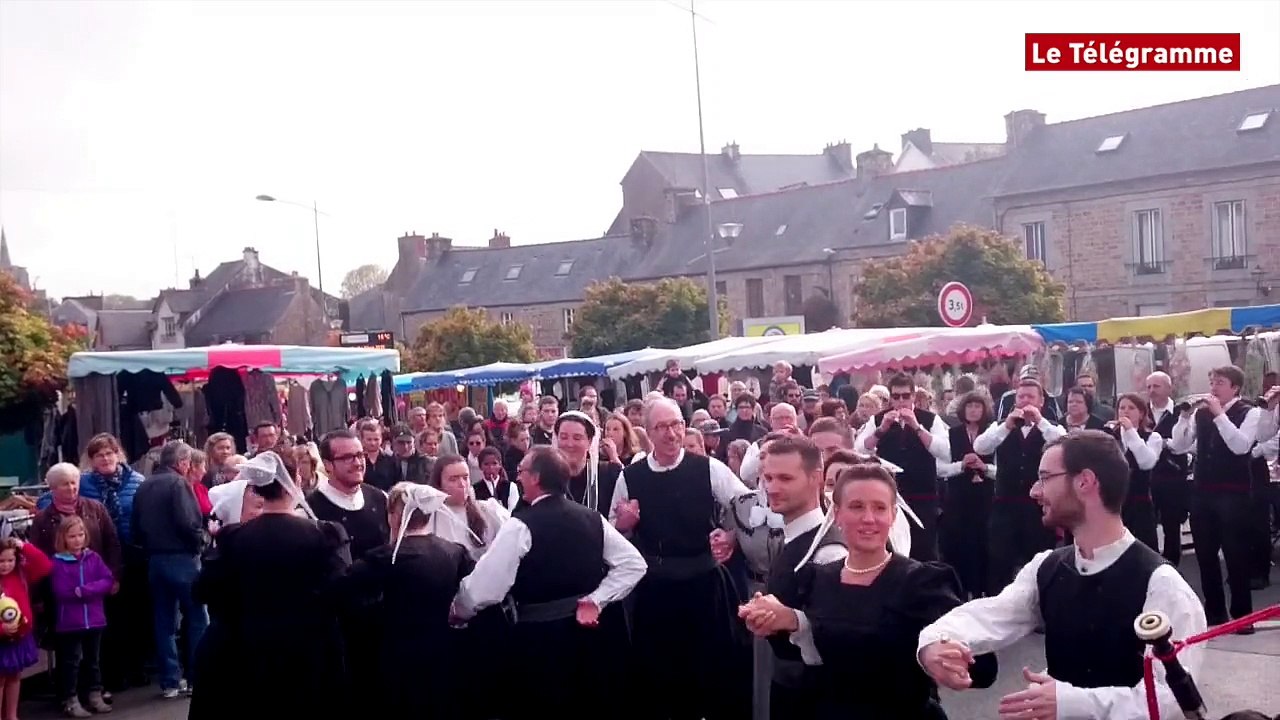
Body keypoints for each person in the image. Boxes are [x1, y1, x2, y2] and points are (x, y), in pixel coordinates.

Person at [918, 431, 1206, 720]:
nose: (1034, 491)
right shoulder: (1047, 566)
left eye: (1045, 478)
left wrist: (1072, 702)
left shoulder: (1162, 584)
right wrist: (937, 641)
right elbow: (993, 613)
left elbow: (1172, 699)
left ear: (1085, 482)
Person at [743, 464, 996, 719]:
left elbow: (983, 665)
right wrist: (784, 620)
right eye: (856, 507)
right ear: (837, 514)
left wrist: (946, 656)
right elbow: (807, 657)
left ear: (893, 515)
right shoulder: (818, 578)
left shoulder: (920, 582)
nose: (868, 518)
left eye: (879, 507)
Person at [451, 446, 646, 718]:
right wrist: (596, 600)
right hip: (588, 640)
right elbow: (633, 564)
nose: (518, 476)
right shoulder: (592, 518)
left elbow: (486, 588)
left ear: (536, 478)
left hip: (540, 642)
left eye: (522, 471)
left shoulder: (521, 526)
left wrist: (459, 609)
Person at [610, 398, 753, 720]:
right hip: (655, 590)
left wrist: (731, 534)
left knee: (710, 675)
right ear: (648, 432)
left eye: (676, 425)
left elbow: (747, 505)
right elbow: (614, 533)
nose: (671, 433)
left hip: (704, 585)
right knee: (660, 679)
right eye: (661, 427)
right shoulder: (630, 476)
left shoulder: (708, 468)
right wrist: (624, 525)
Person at [193, 453, 350, 717]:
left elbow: (204, 590)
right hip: (309, 649)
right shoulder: (323, 534)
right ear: (296, 480)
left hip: (251, 648)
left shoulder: (235, 536)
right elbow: (342, 590)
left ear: (256, 487)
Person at [336, 483, 474, 718]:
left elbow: (343, 591)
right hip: (443, 654)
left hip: (395, 658)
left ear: (393, 515)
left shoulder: (382, 558)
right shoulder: (454, 552)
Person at [741, 436, 848, 720]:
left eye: (785, 478)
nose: (772, 488)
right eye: (768, 478)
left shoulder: (829, 552)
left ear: (816, 478)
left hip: (816, 700)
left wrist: (790, 619)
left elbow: (843, 635)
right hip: (791, 691)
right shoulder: (791, 538)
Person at [1166, 365, 1266, 627]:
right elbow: (1179, 446)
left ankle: (1243, 617)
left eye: (1220, 382)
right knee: (1205, 555)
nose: (1213, 388)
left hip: (1234, 493)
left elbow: (1240, 446)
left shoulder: (1250, 412)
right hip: (1202, 492)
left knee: (1236, 554)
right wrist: (1184, 418)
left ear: (1235, 387)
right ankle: (1215, 613)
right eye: (1211, 382)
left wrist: (1220, 415)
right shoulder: (1201, 414)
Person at [130, 440, 207, 700]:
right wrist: (202, 540)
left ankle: (170, 681)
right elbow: (188, 523)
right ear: (182, 462)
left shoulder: (144, 485)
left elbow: (135, 528)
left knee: (164, 622)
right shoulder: (178, 484)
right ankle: (196, 678)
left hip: (155, 560)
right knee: (197, 618)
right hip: (182, 558)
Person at [973, 378, 1066, 596]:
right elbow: (981, 447)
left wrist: (1040, 421)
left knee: (1039, 557)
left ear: (1041, 401)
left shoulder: (1052, 426)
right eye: (1021, 397)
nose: (1025, 401)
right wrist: (1006, 426)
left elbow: (1065, 443)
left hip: (1038, 506)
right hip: (1005, 504)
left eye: (1030, 397)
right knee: (1000, 560)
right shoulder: (1001, 426)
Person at [857, 373, 952, 561]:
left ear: (913, 396)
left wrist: (917, 427)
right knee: (893, 550)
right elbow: (860, 449)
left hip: (923, 496)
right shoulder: (878, 420)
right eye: (896, 396)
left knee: (925, 550)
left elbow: (945, 452)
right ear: (890, 398)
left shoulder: (930, 419)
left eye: (906, 396)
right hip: (890, 496)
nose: (901, 401)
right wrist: (881, 430)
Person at [49, 516, 114, 718]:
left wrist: (85, 590)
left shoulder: (93, 557)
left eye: (81, 535)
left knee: (93, 661)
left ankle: (95, 694)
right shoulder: (58, 562)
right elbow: (61, 591)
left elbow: (107, 580)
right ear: (63, 538)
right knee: (72, 662)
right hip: (70, 622)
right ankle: (71, 699)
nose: (77, 540)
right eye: (72, 536)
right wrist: (88, 590)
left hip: (94, 619)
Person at [936, 391, 997, 599]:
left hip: (985, 498)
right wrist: (961, 466)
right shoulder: (952, 433)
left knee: (983, 544)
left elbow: (1002, 469)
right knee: (959, 545)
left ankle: (982, 590)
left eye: (977, 406)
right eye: (969, 406)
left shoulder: (992, 433)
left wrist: (984, 467)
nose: (973, 410)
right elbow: (941, 469)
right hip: (958, 499)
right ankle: (960, 591)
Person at [0, 537, 53, 720]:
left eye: (10, 560)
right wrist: (2, 629)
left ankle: (12, 716)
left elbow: (45, 565)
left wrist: (24, 547)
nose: (6, 565)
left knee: (15, 676)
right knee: (0, 679)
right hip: (2, 638)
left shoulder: (21, 574)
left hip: (19, 635)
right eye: (1, 561)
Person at [1107, 393, 1164, 550]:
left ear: (1142, 413)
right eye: (1122, 408)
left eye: (1131, 408)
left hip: (1140, 504)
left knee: (1144, 549)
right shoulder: (1110, 436)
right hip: (1116, 505)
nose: (1125, 411)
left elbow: (1146, 462)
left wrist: (1131, 432)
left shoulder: (1153, 437)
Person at [1145, 371, 1190, 566]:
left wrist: (1165, 443)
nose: (1151, 391)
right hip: (1148, 476)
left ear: (1169, 388)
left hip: (1173, 476)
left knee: (1172, 524)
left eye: (1156, 386)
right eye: (1149, 387)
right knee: (1147, 523)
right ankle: (1151, 564)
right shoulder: (1143, 411)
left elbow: (1186, 443)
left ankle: (1172, 565)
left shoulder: (1182, 412)